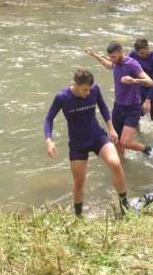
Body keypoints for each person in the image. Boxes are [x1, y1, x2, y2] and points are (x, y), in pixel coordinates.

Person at [44, 67, 130, 217]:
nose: (88, 93)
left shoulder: (94, 89)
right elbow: (49, 118)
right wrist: (49, 141)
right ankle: (78, 216)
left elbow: (103, 107)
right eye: (85, 90)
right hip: (78, 143)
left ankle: (125, 207)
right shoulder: (62, 97)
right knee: (79, 182)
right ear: (75, 84)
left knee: (115, 163)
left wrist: (111, 128)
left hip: (97, 136)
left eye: (90, 89)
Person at [85, 41, 153, 157]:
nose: (112, 59)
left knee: (125, 142)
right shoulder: (115, 62)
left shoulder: (132, 64)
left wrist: (134, 81)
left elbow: (150, 82)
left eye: (114, 57)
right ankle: (123, 167)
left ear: (121, 52)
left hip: (132, 107)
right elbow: (107, 64)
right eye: (111, 57)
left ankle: (146, 149)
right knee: (116, 141)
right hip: (118, 106)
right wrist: (94, 55)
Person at [129, 38, 153, 127]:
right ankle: (138, 136)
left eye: (142, 53)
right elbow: (126, 65)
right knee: (135, 115)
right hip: (140, 88)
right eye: (138, 53)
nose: (140, 55)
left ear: (148, 48)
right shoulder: (133, 54)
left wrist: (148, 100)